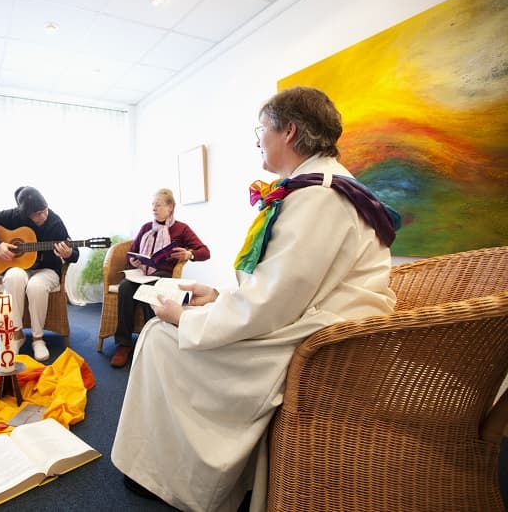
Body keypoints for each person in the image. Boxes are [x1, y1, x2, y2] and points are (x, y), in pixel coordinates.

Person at [111, 86, 401, 511]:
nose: (257, 139)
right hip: (321, 323)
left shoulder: (319, 197)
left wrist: (185, 318)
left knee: (157, 335)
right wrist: (217, 294)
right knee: (167, 329)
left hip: (321, 345)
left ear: (289, 131)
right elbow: (286, 288)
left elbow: (272, 303)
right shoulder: (325, 187)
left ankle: (163, 474)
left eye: (261, 129)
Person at [0, 186, 79, 362]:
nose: (43, 216)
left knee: (36, 286)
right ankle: (16, 334)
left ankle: (38, 338)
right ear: (25, 214)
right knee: (13, 277)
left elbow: (74, 254)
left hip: (47, 271)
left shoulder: (54, 222)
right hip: (19, 269)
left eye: (44, 210)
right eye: (37, 214)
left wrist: (68, 254)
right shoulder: (14, 216)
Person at [110, 188, 210, 368]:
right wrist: (133, 259)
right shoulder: (146, 228)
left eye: (158, 205)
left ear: (170, 207)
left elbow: (204, 252)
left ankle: (153, 340)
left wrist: (189, 253)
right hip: (142, 273)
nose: (154, 209)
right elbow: (131, 252)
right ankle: (123, 344)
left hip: (164, 275)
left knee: (154, 286)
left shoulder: (181, 229)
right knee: (125, 286)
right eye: (152, 205)